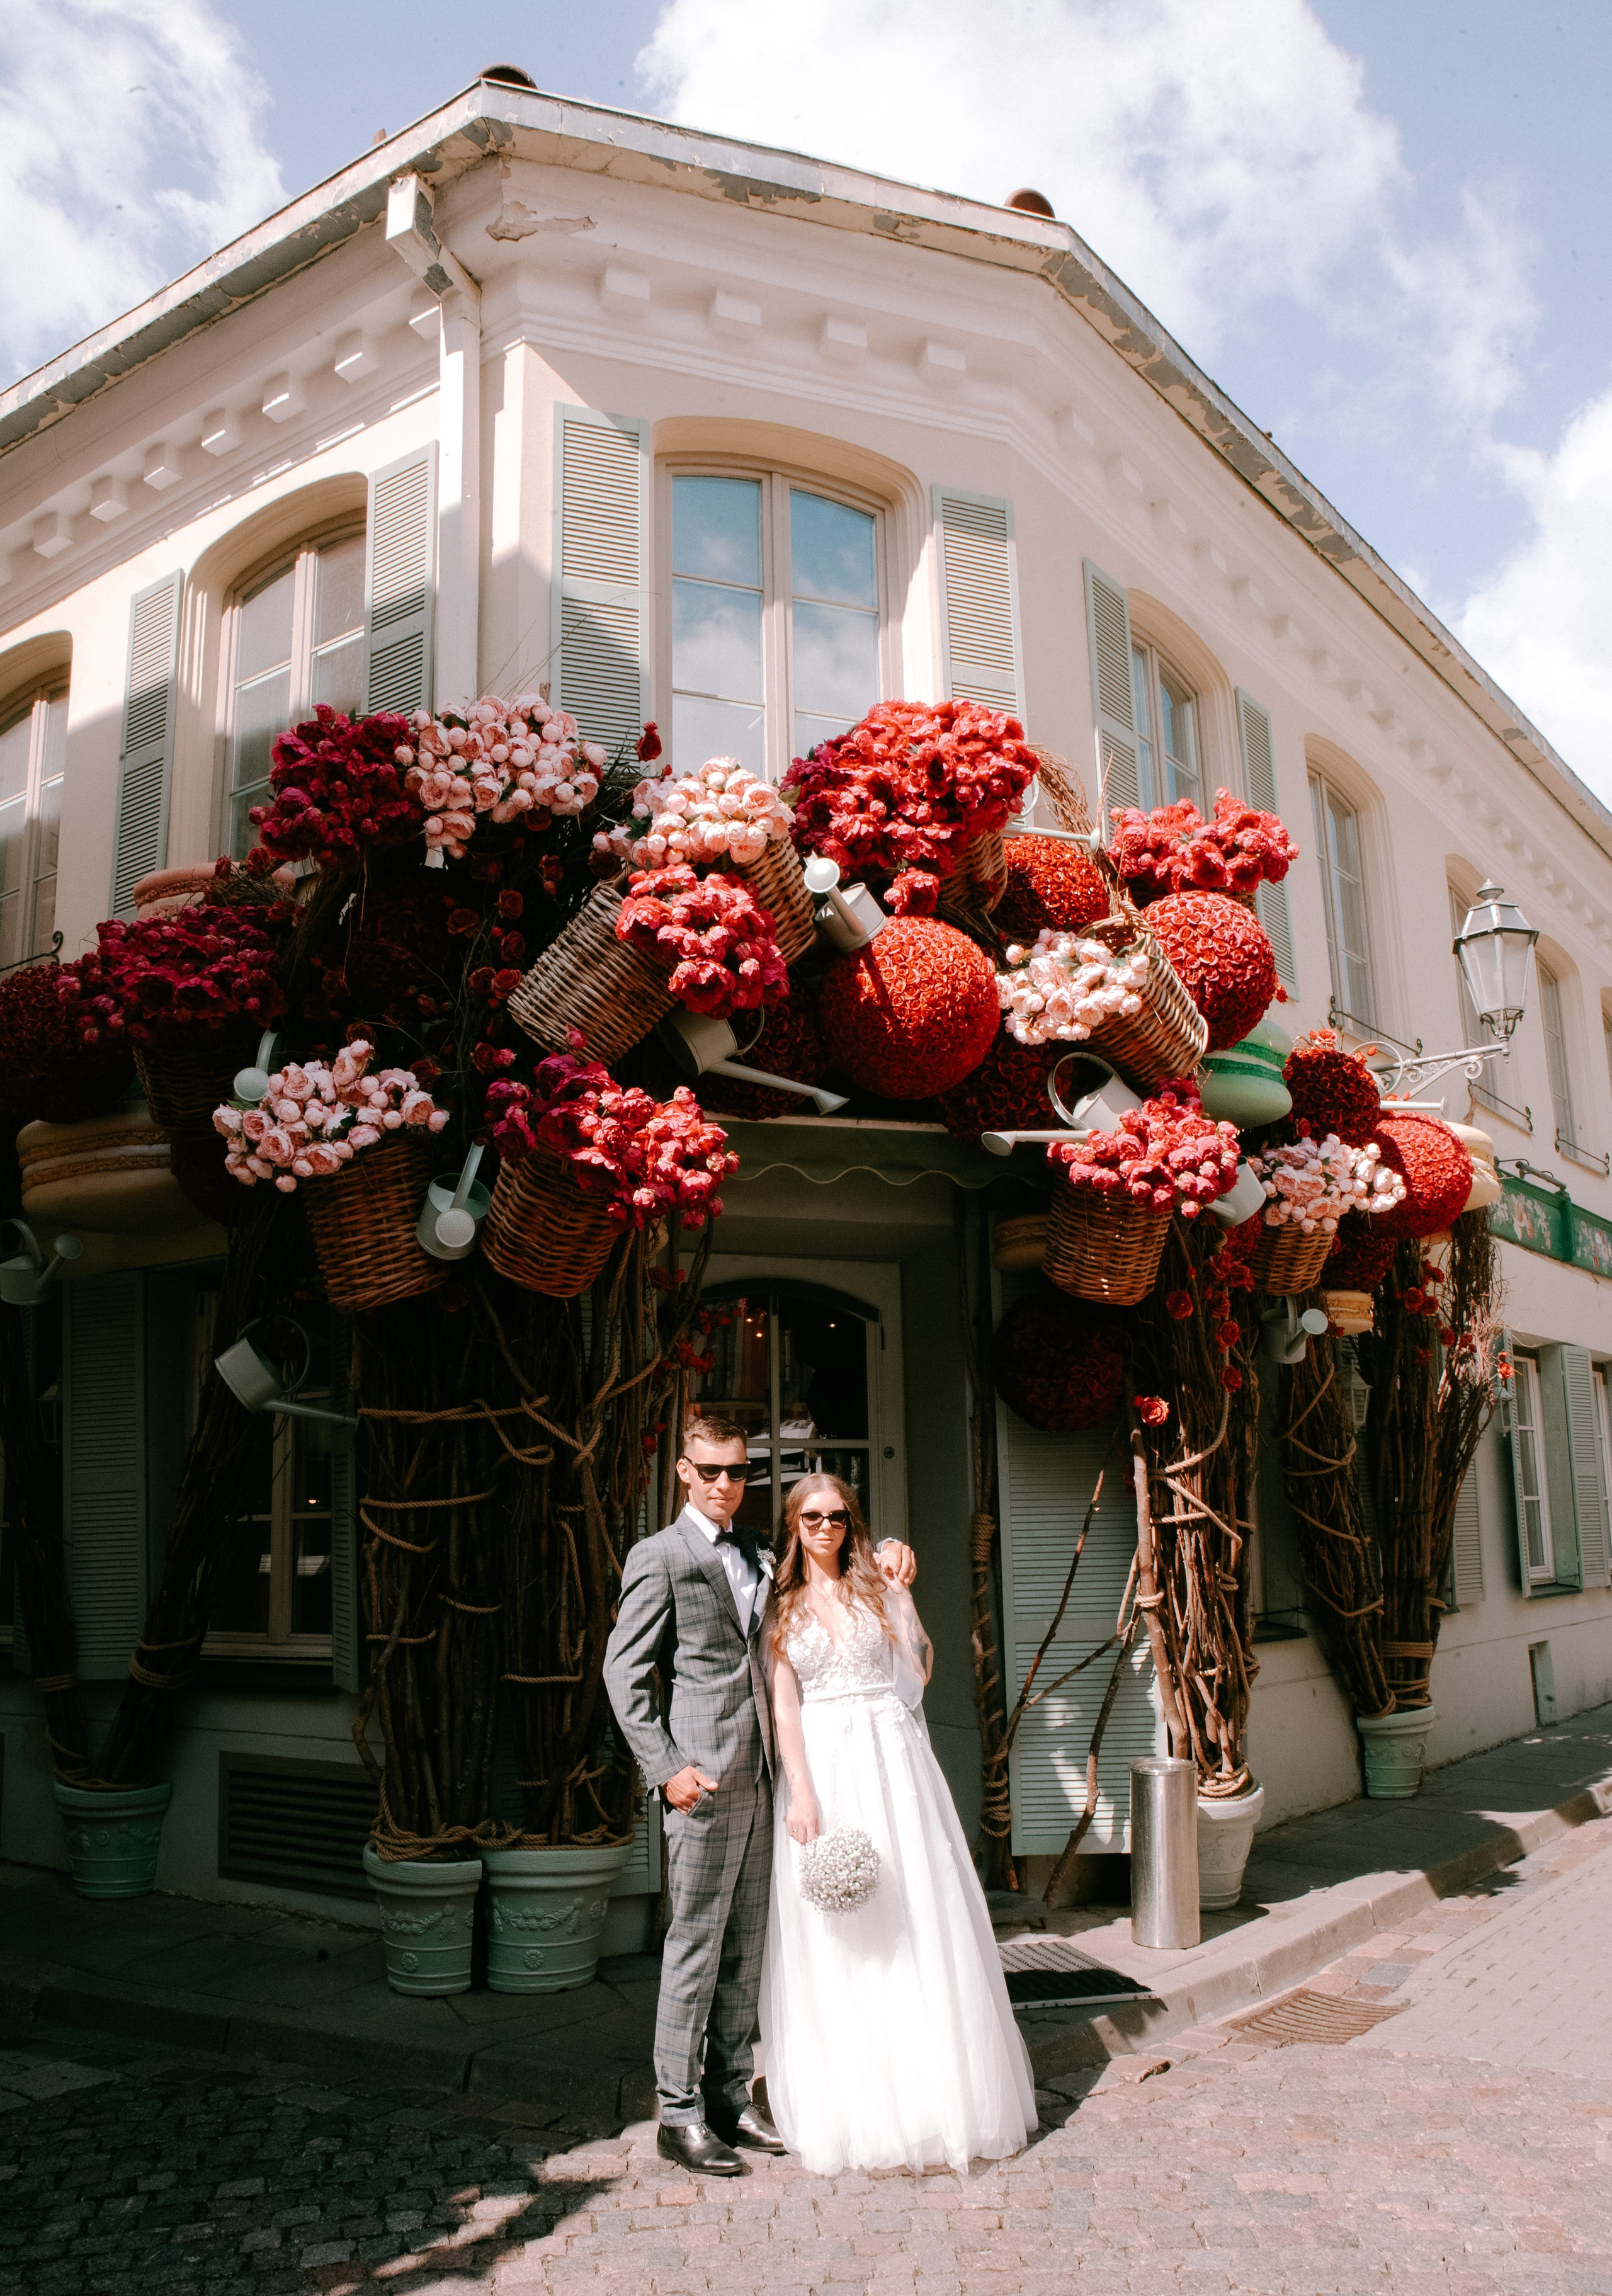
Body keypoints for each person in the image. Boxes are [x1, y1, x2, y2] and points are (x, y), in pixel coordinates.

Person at [603, 1414, 917, 2176]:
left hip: (767, 1779)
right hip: (702, 1786)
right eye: (709, 1471)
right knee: (693, 1949)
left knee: (748, 1948)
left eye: (737, 1472)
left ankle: (729, 2095)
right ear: (683, 1471)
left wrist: (889, 1551)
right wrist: (666, 1767)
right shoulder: (661, 1554)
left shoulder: (757, 1552)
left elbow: (829, 1571)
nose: (723, 1485)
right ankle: (677, 2114)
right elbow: (623, 1671)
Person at [761, 1472, 1037, 2176]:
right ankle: (859, 2101)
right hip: (825, 1761)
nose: (825, 1527)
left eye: (837, 1516)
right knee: (843, 1928)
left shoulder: (878, 1586)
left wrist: (902, 1594)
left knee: (917, 1910)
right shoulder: (782, 1604)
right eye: (812, 1518)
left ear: (853, 1522)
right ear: (794, 1525)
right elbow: (784, 1705)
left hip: (890, 1757)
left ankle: (935, 2097)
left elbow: (911, 1682)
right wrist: (801, 1793)